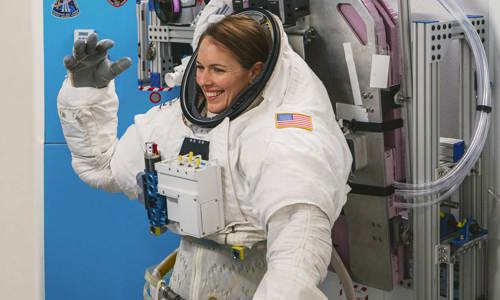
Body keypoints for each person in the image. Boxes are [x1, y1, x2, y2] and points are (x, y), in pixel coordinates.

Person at [57, 6, 352, 300]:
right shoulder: (180, 122)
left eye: (218, 70)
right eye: (200, 67)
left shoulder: (287, 140)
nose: (204, 81)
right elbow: (103, 168)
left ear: (255, 72)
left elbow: (294, 266)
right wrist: (85, 93)